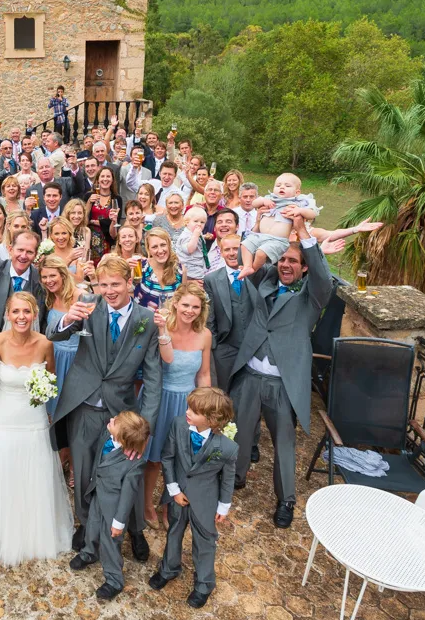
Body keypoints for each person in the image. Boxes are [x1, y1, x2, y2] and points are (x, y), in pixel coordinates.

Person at [51, 254, 161, 562]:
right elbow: (55, 335)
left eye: (115, 284)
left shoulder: (146, 320)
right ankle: (87, 527)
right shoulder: (88, 306)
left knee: (129, 474)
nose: (109, 291)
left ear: (129, 283)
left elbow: (153, 380)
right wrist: (67, 319)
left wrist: (144, 431)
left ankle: (135, 529)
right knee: (84, 472)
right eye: (103, 284)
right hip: (83, 406)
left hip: (121, 413)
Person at [232, 216, 334, 529]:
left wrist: (304, 234)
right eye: (282, 260)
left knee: (284, 444)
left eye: (293, 261)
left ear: (304, 268)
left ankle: (286, 499)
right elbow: (245, 249)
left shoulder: (312, 298)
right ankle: (233, 478)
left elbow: (323, 278)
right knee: (237, 434)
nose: (285, 265)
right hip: (249, 376)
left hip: (281, 384)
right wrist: (269, 222)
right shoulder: (263, 280)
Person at [0, 292, 72, 565]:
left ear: (35, 314)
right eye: (16, 312)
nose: (21, 317)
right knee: (4, 471)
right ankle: (3, 533)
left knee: (35, 472)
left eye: (27, 312)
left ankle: (34, 533)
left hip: (33, 419)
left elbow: (52, 378)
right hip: (4, 419)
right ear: (7, 315)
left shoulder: (46, 343)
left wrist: (43, 393)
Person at [149, 387, 238, 608]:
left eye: (194, 410)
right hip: (178, 494)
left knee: (205, 541)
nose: (187, 411)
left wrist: (223, 506)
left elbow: (228, 478)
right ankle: (169, 568)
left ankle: (204, 584)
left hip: (205, 501)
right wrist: (173, 490)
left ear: (211, 419)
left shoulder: (227, 447)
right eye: (189, 407)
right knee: (174, 531)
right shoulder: (178, 424)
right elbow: (168, 457)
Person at [142, 282, 212, 530]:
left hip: (187, 402)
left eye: (195, 306)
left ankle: (169, 503)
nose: (190, 311)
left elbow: (203, 374)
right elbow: (167, 359)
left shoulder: (205, 335)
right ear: (175, 304)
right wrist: (162, 331)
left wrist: (205, 408)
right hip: (160, 398)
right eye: (185, 305)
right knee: (154, 458)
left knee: (181, 458)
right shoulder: (162, 327)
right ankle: (146, 503)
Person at [68, 410, 150, 602]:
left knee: (110, 541)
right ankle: (89, 553)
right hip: (98, 494)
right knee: (92, 527)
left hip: (114, 508)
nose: (111, 420)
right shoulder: (107, 435)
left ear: (122, 436)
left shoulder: (134, 464)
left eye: (115, 422)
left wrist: (119, 522)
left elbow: (128, 496)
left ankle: (114, 580)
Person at [239, 173, 319, 277]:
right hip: (260, 236)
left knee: (260, 253)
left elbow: (313, 213)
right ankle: (247, 266)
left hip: (277, 240)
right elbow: (254, 203)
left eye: (287, 185)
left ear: (297, 192)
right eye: (278, 185)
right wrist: (263, 200)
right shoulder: (270, 198)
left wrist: (300, 210)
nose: (282, 187)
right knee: (244, 245)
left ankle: (253, 269)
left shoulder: (297, 202)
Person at [204, 234, 252, 395]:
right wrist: (216, 347)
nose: (232, 253)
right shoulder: (211, 279)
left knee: (250, 394)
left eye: (236, 249)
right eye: (227, 249)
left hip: (253, 348)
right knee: (224, 392)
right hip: (225, 347)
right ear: (222, 252)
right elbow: (210, 318)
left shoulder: (256, 275)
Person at [135, 230, 182, 310]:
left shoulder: (180, 269)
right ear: (148, 249)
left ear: (169, 245)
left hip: (171, 320)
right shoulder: (141, 267)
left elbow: (183, 300)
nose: (160, 251)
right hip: (145, 321)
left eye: (163, 245)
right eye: (154, 247)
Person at [85, 166, 122, 259]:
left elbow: (115, 222)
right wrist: (89, 203)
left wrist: (96, 222)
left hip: (108, 239)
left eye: (108, 176)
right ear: (98, 179)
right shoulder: (89, 196)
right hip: (90, 239)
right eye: (102, 176)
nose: (105, 179)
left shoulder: (117, 198)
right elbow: (83, 219)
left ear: (112, 180)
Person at [176, 207, 210, 283]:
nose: (199, 224)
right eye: (195, 221)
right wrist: (195, 236)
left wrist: (203, 236)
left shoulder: (196, 232)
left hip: (197, 268)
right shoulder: (185, 236)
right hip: (189, 272)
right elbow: (189, 249)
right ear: (187, 222)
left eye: (202, 222)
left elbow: (197, 240)